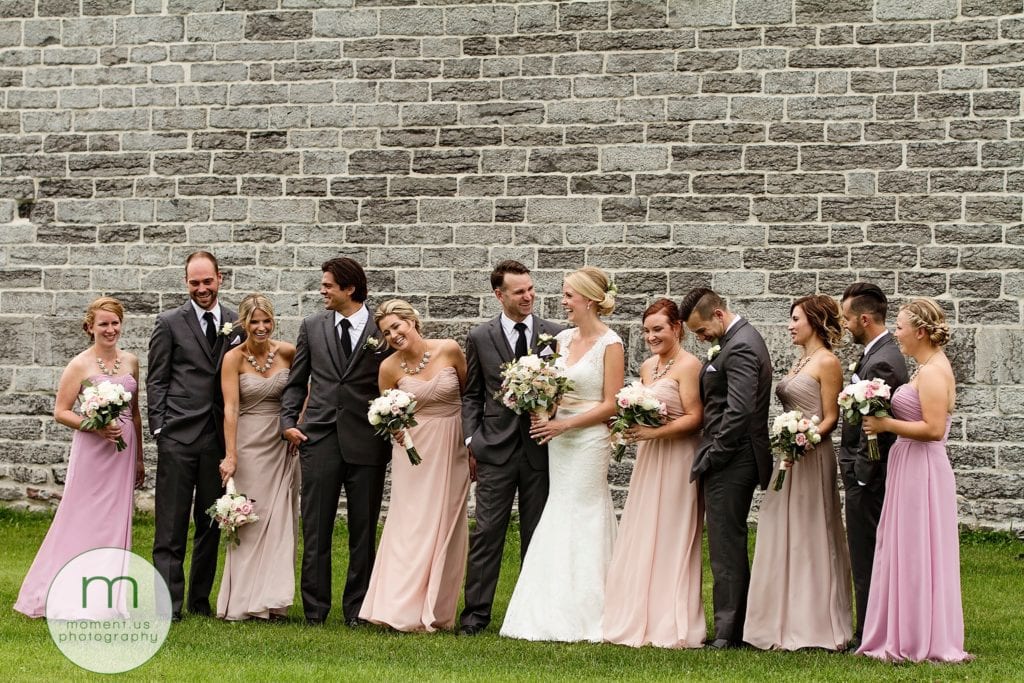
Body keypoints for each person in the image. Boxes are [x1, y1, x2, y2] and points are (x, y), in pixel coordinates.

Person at [500, 266, 624, 643]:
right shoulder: (561, 339)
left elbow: (611, 404)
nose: (563, 302)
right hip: (560, 438)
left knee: (584, 511)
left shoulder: (611, 344)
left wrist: (565, 425)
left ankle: (593, 611)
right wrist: (541, 409)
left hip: (589, 439)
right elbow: (551, 390)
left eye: (569, 295)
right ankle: (546, 608)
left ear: (589, 299)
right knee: (558, 508)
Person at [15, 297, 145, 618]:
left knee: (115, 520)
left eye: (115, 323)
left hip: (123, 453)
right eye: (103, 324)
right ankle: (59, 591)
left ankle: (106, 599)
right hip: (92, 451)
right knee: (80, 517)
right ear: (90, 327)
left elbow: (135, 414)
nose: (110, 329)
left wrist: (140, 458)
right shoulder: (79, 365)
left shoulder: (131, 362)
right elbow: (61, 411)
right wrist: (95, 426)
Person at [280, 257, 392, 627]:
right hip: (320, 438)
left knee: (363, 529)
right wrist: (288, 422)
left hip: (368, 441)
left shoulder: (381, 328)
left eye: (328, 285)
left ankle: (357, 609)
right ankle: (315, 610)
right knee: (316, 528)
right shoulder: (312, 327)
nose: (322, 291)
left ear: (350, 288)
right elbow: (297, 382)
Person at [858, 299, 971, 663]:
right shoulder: (925, 367)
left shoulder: (935, 371)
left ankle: (921, 636)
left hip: (922, 468)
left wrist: (885, 424)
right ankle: (902, 627)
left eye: (901, 327)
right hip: (908, 464)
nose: (897, 334)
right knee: (905, 547)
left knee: (919, 549)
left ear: (920, 331)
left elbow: (934, 429)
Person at [459, 260, 562, 636]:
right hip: (495, 449)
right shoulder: (480, 337)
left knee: (538, 534)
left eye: (531, 289)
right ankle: (475, 616)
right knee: (487, 532)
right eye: (519, 292)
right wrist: (472, 439)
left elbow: (563, 388)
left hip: (540, 449)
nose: (528, 296)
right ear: (499, 295)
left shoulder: (555, 334)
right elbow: (472, 395)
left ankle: (533, 616)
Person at [744, 295, 853, 651]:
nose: (790, 326)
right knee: (781, 528)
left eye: (795, 319)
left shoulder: (827, 362)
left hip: (812, 455)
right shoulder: (800, 360)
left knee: (810, 529)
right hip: (788, 455)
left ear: (815, 321)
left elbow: (832, 417)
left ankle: (814, 623)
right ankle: (779, 618)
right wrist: (788, 442)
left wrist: (805, 440)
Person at [359, 300, 470, 631]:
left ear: (412, 321)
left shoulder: (449, 350)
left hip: (452, 445)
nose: (393, 335)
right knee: (409, 525)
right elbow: (388, 413)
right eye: (386, 332)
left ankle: (436, 608)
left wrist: (472, 446)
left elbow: (470, 398)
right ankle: (397, 607)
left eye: (397, 326)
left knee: (447, 524)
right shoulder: (388, 368)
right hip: (413, 452)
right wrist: (395, 430)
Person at [602, 298, 705, 649]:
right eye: (647, 331)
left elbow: (695, 418)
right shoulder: (648, 367)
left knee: (673, 533)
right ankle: (639, 612)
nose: (651, 337)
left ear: (677, 328)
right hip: (650, 458)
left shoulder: (690, 366)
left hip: (678, 456)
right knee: (645, 529)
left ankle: (669, 619)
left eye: (658, 329)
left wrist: (654, 432)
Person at [149, 251, 243, 620]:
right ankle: (168, 604)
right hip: (177, 435)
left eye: (207, 281)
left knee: (210, 523)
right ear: (186, 283)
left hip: (216, 438)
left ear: (220, 278)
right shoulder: (169, 322)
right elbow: (157, 379)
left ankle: (199, 601)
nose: (201, 288)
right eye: (194, 282)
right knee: (170, 526)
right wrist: (160, 428)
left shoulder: (236, 323)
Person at [679, 287, 772, 649]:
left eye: (702, 331)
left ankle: (728, 632)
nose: (701, 338)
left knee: (726, 542)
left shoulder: (742, 345)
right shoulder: (732, 341)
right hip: (730, 455)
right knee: (724, 540)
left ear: (718, 314)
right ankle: (733, 625)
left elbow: (740, 410)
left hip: (734, 458)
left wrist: (716, 453)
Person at [215, 294, 298, 621]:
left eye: (266, 321)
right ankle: (242, 600)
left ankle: (274, 600)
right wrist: (231, 455)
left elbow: (305, 390)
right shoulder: (233, 358)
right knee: (249, 521)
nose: (261, 327)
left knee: (280, 522)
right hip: (248, 444)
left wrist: (297, 425)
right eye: (254, 322)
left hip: (281, 444)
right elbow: (231, 408)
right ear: (244, 323)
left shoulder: (288, 352)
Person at [838, 282, 909, 647]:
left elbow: (879, 429)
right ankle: (871, 625)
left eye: (847, 318)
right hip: (864, 471)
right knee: (865, 551)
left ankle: (868, 631)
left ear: (864, 319)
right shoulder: (875, 353)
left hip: (870, 475)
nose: (844, 324)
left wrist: (862, 474)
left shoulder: (883, 360)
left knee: (866, 552)